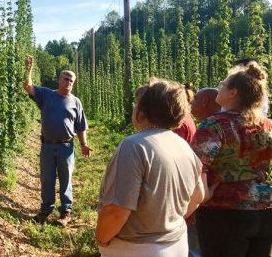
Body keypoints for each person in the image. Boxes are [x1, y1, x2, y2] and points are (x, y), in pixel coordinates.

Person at [96, 78, 204, 257]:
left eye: (136, 103)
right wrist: (167, 221)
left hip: (137, 248)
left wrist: (101, 238)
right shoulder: (183, 146)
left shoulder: (134, 146)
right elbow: (198, 196)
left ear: (143, 111)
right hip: (176, 243)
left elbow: (117, 210)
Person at [191, 62, 272, 257]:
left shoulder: (214, 125)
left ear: (233, 93)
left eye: (223, 84)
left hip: (224, 213)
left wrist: (203, 196)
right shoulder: (267, 125)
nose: (219, 86)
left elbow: (195, 166)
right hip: (265, 211)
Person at [23, 55, 91, 226]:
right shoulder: (46, 95)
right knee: (47, 178)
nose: (68, 82)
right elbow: (28, 86)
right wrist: (28, 68)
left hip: (66, 146)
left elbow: (81, 126)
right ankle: (45, 210)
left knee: (66, 179)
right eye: (66, 79)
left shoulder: (76, 102)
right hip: (47, 145)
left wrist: (84, 144)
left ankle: (66, 212)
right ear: (59, 80)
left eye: (71, 81)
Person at [186, 87, 221, 257]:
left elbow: (197, 168)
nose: (191, 104)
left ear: (205, 102)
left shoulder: (210, 128)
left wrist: (193, 205)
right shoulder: (258, 123)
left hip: (212, 205)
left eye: (194, 100)